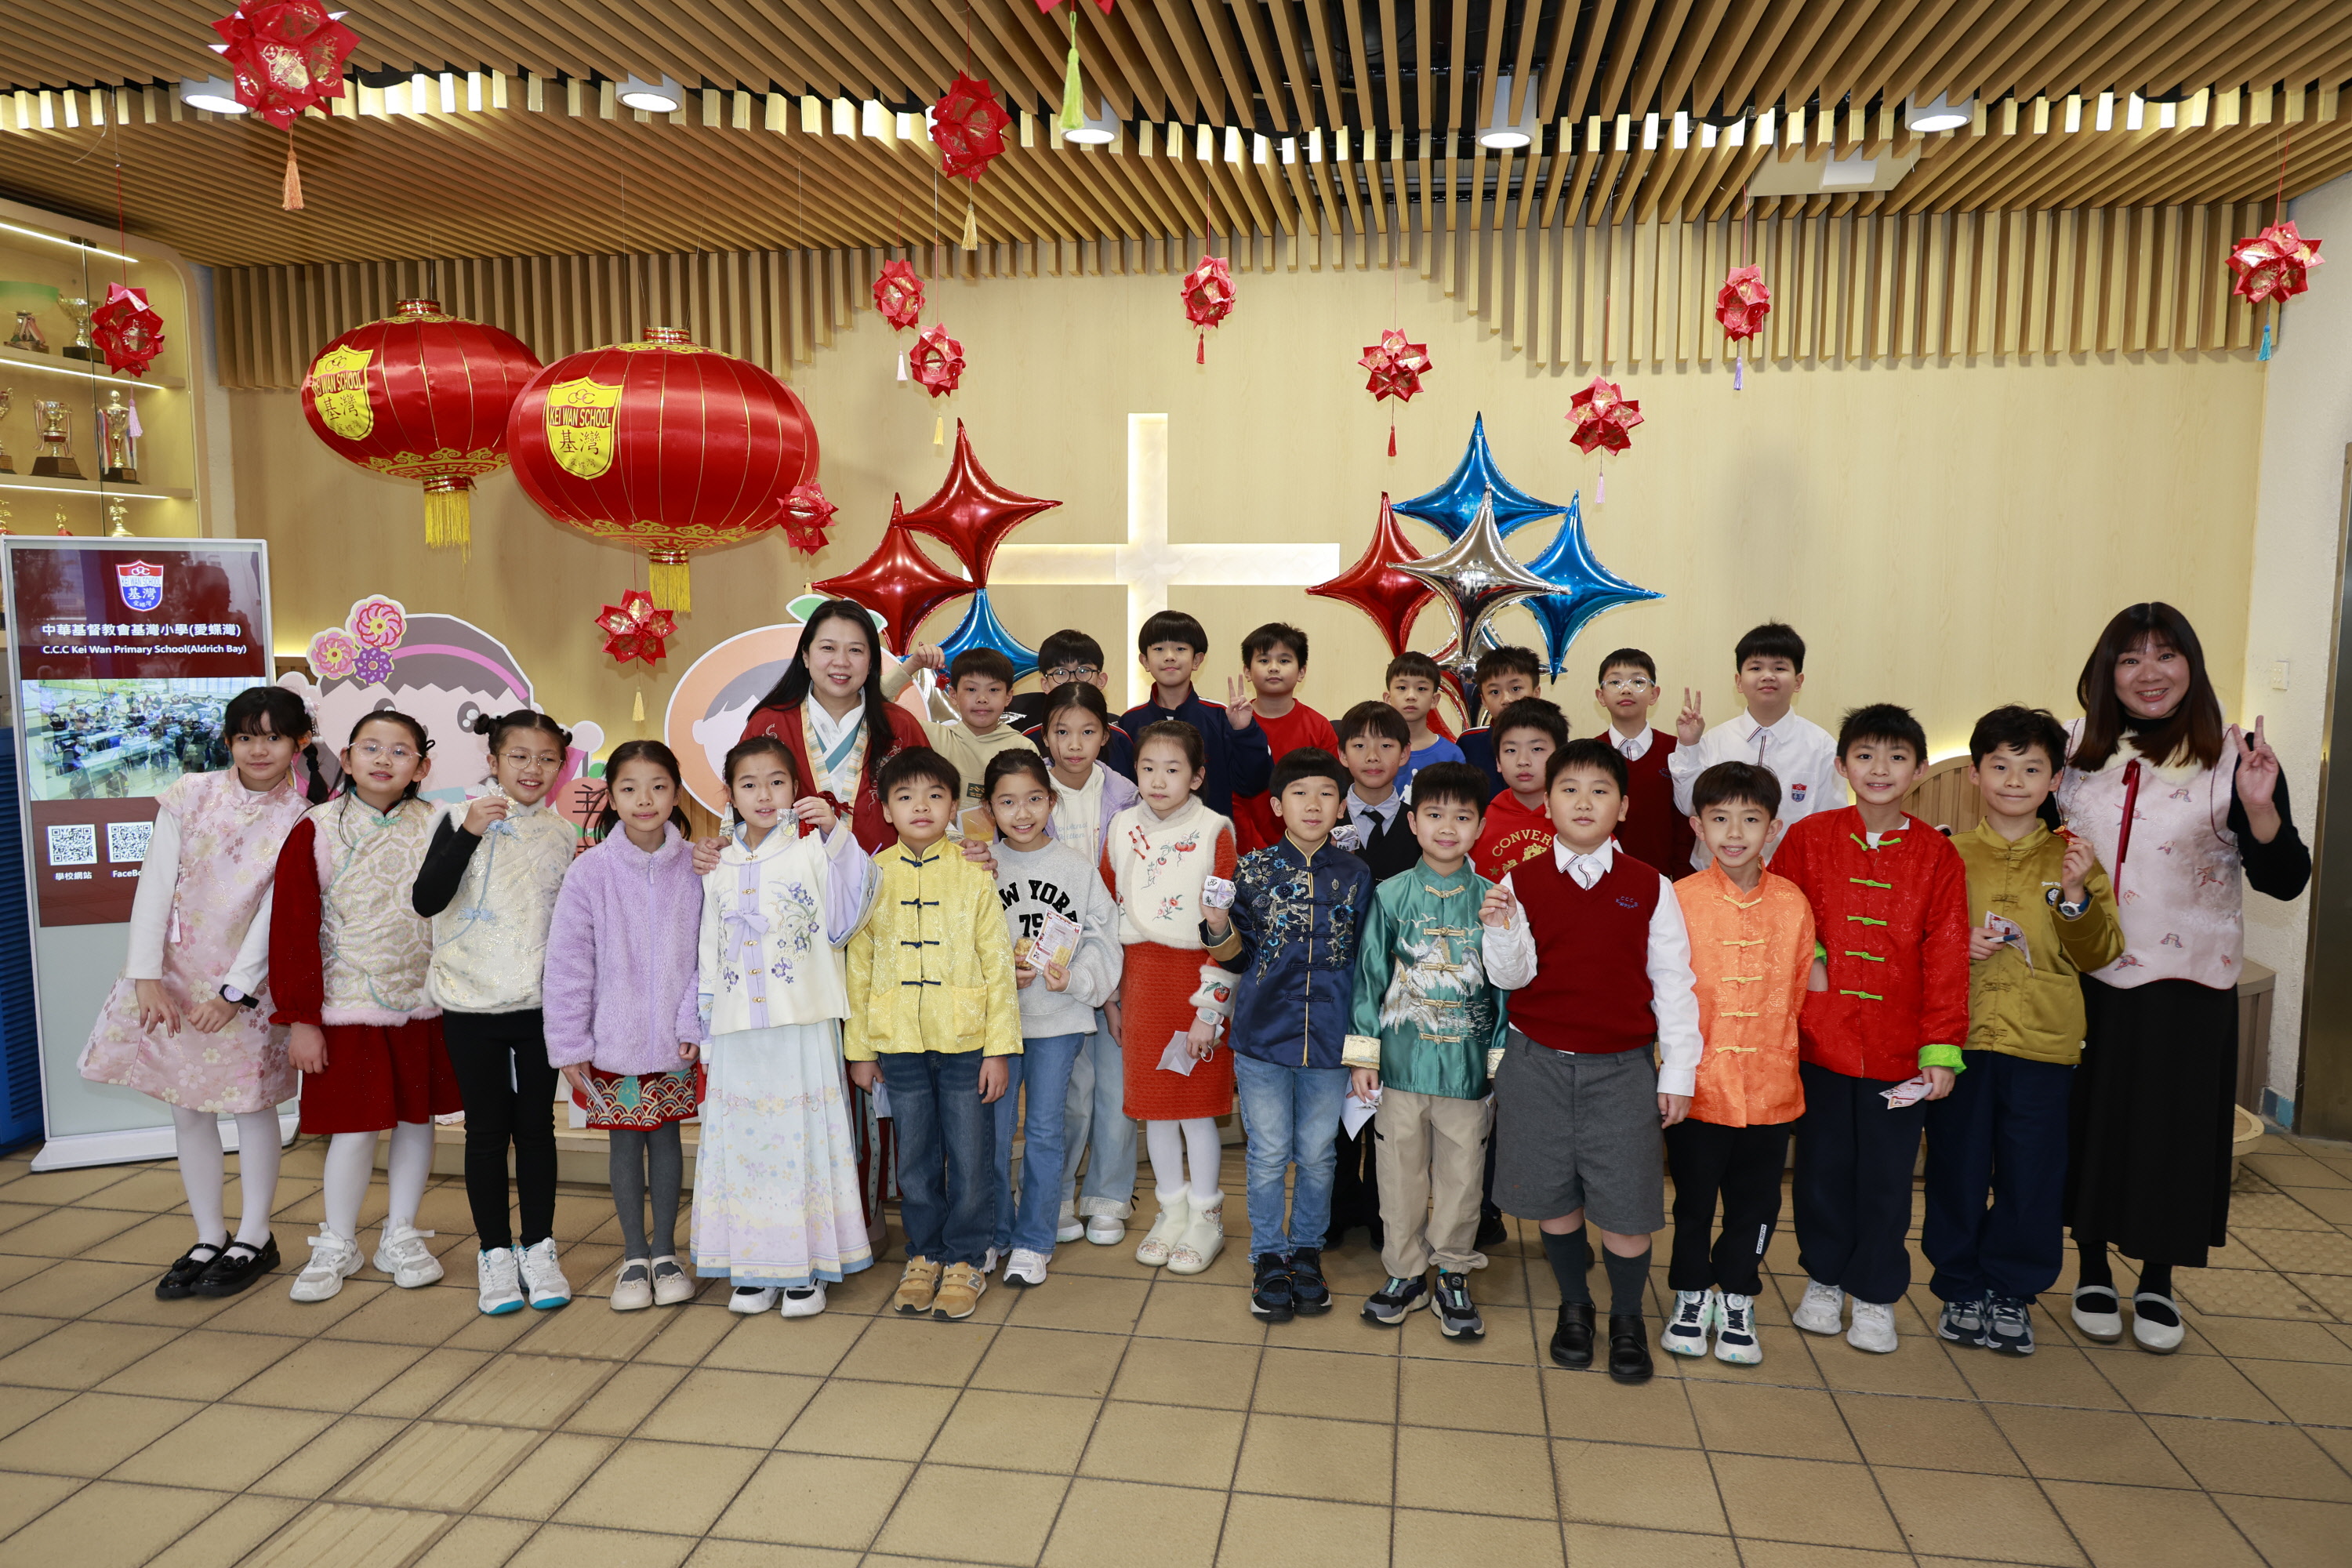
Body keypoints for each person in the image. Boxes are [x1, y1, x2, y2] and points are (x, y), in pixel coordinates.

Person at [2057, 604, 2309, 1353]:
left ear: (2191, 666)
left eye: (2165, 655)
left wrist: (2260, 812)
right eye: (2129, 658)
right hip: (2085, 969)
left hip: (2188, 980)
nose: (2149, 673)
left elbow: (2286, 879)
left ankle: (2159, 1280)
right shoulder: (2074, 747)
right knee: (2091, 1121)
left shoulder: (2237, 758)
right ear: (2106, 673)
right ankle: (2091, 1267)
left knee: (2172, 1131)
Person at [78, 686, 321, 1301]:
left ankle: (255, 1235)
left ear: (299, 743)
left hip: (247, 990)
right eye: (245, 737)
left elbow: (275, 915)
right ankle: (209, 1235)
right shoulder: (189, 792)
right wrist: (145, 976)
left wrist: (234, 993)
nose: (258, 749)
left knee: (251, 1107)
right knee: (186, 1110)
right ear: (228, 742)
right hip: (174, 982)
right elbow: (154, 885)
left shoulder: (303, 817)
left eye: (273, 737)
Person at [1482, 739, 1701, 1382]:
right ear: (1547, 804)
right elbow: (1510, 978)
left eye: (1600, 790)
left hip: (1622, 1069)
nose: (1584, 802)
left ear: (1623, 807)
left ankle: (1627, 1316)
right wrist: (1501, 928)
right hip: (1537, 1063)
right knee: (1555, 1200)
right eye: (1569, 790)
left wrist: (1678, 1074)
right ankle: (1575, 1305)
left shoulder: (1651, 885)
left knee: (1628, 1207)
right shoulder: (1517, 882)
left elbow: (1674, 986)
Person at [1769, 703, 1970, 1354]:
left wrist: (1941, 1048)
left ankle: (1878, 1293)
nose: (1879, 769)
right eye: (1865, 755)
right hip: (1821, 1042)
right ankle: (1824, 1279)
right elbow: (1786, 916)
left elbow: (1947, 955)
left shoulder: (1937, 855)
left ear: (1919, 770)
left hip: (1900, 1051)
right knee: (1821, 1170)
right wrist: (1815, 965)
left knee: (1887, 1179)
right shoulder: (1809, 838)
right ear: (1841, 765)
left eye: (1896, 757)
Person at [1926, 706, 2122, 1357]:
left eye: (2032, 768)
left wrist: (2075, 897)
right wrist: (1956, 944)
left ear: (2055, 780)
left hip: (2043, 1044)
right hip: (1960, 1041)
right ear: (1976, 774)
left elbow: (2100, 953)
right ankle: (1959, 1285)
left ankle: (2011, 1289)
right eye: (2001, 766)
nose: (2015, 781)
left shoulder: (2075, 858)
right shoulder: (1949, 854)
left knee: (2031, 1174)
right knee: (1955, 1168)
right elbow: (1918, 942)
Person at [268, 711, 459, 1303]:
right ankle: (338, 1240)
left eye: (400, 751)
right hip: (345, 1006)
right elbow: (293, 928)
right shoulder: (316, 828)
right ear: (347, 760)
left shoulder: (440, 824)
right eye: (370, 748)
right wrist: (302, 1019)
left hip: (424, 1002)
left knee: (416, 1122)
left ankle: (401, 1232)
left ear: (422, 768)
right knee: (352, 1130)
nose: (384, 759)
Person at [691, 735, 881, 1318]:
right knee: (748, 1147)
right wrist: (706, 1023)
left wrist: (835, 833)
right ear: (730, 795)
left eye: (776, 782)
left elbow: (855, 905)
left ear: (796, 789)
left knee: (802, 1142)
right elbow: (708, 946)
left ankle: (809, 1267)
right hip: (738, 1030)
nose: (764, 795)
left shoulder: (812, 852)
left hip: (801, 1024)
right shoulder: (717, 864)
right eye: (748, 785)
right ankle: (754, 1267)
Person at [845, 747, 1024, 1321]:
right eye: (905, 797)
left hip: (966, 1040)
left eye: (934, 796)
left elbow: (998, 964)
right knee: (915, 1159)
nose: (920, 806)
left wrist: (999, 1049)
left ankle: (967, 1257)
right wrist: (860, 1050)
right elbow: (858, 967)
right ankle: (924, 1254)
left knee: (971, 1157)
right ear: (887, 810)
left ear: (953, 806)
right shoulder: (873, 875)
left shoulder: (974, 873)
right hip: (897, 1042)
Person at [411, 710, 579, 1316]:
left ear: (562, 767)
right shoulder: (455, 818)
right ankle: (494, 1253)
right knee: (485, 1132)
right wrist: (469, 833)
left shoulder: (563, 834)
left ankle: (539, 1246)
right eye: (519, 756)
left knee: (536, 1129)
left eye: (547, 759)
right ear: (493, 761)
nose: (533, 769)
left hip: (540, 1006)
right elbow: (426, 899)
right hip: (471, 1002)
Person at [1207, 746, 1375, 1322]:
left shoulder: (1356, 875)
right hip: (1262, 1040)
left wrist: (1364, 1047)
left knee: (1319, 1155)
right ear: (1277, 805)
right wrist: (1216, 925)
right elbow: (1235, 958)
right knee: (1268, 1154)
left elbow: (1367, 965)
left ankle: (1307, 1251)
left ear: (1342, 805)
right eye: (1300, 793)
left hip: (1330, 1042)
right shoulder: (1252, 871)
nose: (1313, 804)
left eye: (1327, 793)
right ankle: (1267, 1256)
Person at [1659, 762, 1814, 1366]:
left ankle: (1739, 1294)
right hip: (1700, 1087)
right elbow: (1664, 990)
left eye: (1750, 820)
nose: (1734, 833)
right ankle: (1691, 1292)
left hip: (1770, 1087)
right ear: (1697, 826)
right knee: (1694, 1201)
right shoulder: (1679, 899)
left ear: (1773, 828)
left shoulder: (1793, 903)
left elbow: (1798, 990)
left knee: (1757, 1203)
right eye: (1720, 819)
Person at [543, 740, 706, 1313]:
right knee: (625, 1141)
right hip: (614, 1040)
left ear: (676, 793)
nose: (645, 800)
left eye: (658, 786)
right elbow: (568, 964)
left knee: (668, 1139)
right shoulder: (590, 872)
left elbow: (710, 954)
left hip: (676, 1041)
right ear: (610, 797)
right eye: (630, 788)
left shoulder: (698, 867)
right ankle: (634, 1255)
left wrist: (692, 1021)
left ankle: (667, 1254)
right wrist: (570, 1043)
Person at [1349, 762, 1508, 1338]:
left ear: (1480, 827)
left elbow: (1503, 989)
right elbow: (1370, 978)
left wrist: (1497, 1062)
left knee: (1464, 1177)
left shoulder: (1494, 900)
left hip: (1467, 1070)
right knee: (1398, 1174)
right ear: (1413, 822)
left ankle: (1453, 1272)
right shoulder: (1391, 894)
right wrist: (1365, 1055)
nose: (1447, 827)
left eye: (1462, 817)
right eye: (1435, 815)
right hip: (1401, 1065)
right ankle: (1405, 1272)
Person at [1101, 720, 1239, 1276]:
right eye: (1148, 768)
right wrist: (1112, 995)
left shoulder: (1214, 831)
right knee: (1155, 1111)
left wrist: (1211, 1010)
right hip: (1140, 983)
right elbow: (1105, 911)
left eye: (1173, 769)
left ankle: (1205, 1217)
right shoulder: (1120, 826)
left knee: (1197, 1111)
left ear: (1197, 776)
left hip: (1194, 983)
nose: (1158, 780)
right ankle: (1171, 1211)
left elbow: (1228, 929)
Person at [983, 750, 1122, 1287]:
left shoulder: (1075, 867)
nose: (1022, 813)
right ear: (990, 808)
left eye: (1034, 799)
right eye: (1008, 802)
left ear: (1052, 801)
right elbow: (961, 942)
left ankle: (1034, 1240)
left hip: (1059, 1020)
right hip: (996, 1025)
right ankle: (996, 1232)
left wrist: (1077, 980)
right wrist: (998, 974)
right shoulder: (980, 867)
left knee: (1044, 1130)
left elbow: (1104, 939)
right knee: (993, 1133)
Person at [1036, 681, 1143, 1247]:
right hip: (1051, 961)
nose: (1073, 744)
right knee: (1067, 1091)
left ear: (1106, 736)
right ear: (1045, 736)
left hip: (1120, 952)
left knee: (1116, 1086)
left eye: (1087, 732)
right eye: (1061, 732)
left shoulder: (1130, 795)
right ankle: (1053, 1196)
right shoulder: (1028, 792)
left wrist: (1117, 981)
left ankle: (1108, 1196)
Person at [740, 597, 929, 854]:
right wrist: (728, 843)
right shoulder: (769, 724)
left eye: (855, 650)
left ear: (871, 662)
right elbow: (744, 800)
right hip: (790, 873)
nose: (841, 662)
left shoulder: (900, 726)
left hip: (885, 872)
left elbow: (931, 798)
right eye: (828, 648)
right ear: (806, 655)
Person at [1668, 622, 1846, 870]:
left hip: (1791, 878)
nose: (1768, 675)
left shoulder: (1822, 746)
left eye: (1779, 668)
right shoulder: (1715, 739)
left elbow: (1830, 825)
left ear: (1798, 681)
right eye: (1756, 667)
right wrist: (1689, 745)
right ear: (1739, 682)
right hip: (1715, 875)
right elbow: (1689, 806)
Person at [1120, 608, 1271, 818]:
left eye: (1180, 649)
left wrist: (1244, 731)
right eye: (1159, 649)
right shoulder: (1130, 722)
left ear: (1197, 660)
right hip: (1146, 835)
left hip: (1210, 835)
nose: (1170, 657)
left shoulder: (1221, 717)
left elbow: (1253, 784)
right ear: (1145, 661)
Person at [1229, 622, 1341, 854]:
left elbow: (1330, 791)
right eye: (1264, 660)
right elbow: (1231, 796)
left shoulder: (1319, 727)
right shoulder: (1233, 724)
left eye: (1284, 660)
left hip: (1306, 846)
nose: (1273, 668)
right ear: (1247, 671)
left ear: (1301, 672)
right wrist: (1255, 847)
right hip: (1244, 847)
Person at [1592, 648, 1695, 880]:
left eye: (1638, 682)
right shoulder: (1589, 755)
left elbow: (1685, 822)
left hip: (1665, 879)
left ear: (1654, 694)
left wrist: (1681, 880)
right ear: (1601, 696)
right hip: (1602, 879)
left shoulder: (1677, 749)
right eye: (1615, 682)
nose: (1626, 689)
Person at [909, 646, 1042, 818]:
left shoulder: (1023, 748)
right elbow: (877, 709)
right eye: (971, 689)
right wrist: (912, 665)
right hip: (944, 836)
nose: (982, 699)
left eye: (993, 690)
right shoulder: (932, 737)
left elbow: (1037, 804)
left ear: (1008, 696)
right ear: (953, 695)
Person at [1011, 629, 1134, 778]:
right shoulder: (1028, 741)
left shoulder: (1120, 740)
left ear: (1101, 680)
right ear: (1045, 684)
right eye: (1060, 673)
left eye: (1083, 671)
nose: (1073, 681)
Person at [1472, 699, 1566, 880]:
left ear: (1560, 757)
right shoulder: (1479, 823)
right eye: (1511, 750)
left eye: (1536, 748)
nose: (1523, 761)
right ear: (1498, 761)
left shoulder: (1580, 818)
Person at [1333, 700, 1418, 884]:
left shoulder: (1421, 825)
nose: (1373, 757)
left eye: (1386, 746)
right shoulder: (1324, 820)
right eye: (1360, 746)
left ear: (1404, 753)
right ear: (1343, 755)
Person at [1456, 645, 1542, 797]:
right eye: (1495, 692)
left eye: (1515, 689)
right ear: (1484, 701)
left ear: (1536, 693)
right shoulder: (1468, 743)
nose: (1506, 700)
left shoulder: (1553, 741)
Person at [1385, 652, 1465, 787]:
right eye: (1402, 688)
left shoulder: (1451, 755)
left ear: (1434, 700)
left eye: (1421, 688)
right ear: (1388, 699)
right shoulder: (1374, 751)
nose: (1411, 696)